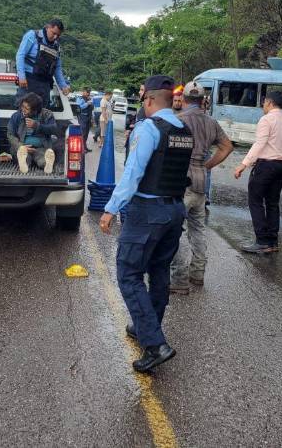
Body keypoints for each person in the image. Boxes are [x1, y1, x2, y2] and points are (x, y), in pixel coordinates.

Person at [99, 75, 193, 373]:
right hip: (174, 210)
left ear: (150, 101)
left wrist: (110, 208)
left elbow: (133, 172)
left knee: (129, 274)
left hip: (148, 211)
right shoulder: (184, 129)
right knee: (159, 271)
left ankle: (155, 344)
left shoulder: (149, 128)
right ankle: (146, 327)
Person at [169, 81, 235, 293]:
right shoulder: (211, 122)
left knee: (173, 231)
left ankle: (178, 280)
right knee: (197, 229)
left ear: (185, 100)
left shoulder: (177, 121)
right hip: (200, 182)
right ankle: (197, 274)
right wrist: (207, 166)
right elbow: (227, 147)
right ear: (203, 100)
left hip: (181, 183)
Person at [233, 90, 282, 254]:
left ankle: (261, 241)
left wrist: (243, 164)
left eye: (264, 102)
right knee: (273, 203)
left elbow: (259, 144)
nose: (263, 105)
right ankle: (273, 241)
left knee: (256, 201)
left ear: (270, 102)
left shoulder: (266, 120)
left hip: (267, 165)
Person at [16, 19, 70, 107]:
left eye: (58, 35)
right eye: (54, 33)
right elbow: (20, 55)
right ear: (48, 27)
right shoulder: (32, 35)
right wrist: (22, 77)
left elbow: (57, 68)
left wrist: (63, 85)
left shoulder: (56, 46)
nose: (55, 37)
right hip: (28, 81)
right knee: (25, 112)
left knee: (42, 115)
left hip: (45, 85)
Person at [7, 92, 58, 174]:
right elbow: (10, 134)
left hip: (41, 147)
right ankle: (24, 163)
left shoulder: (47, 114)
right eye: (22, 106)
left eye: (27, 108)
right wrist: (20, 146)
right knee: (23, 156)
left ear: (35, 110)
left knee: (42, 160)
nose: (23, 110)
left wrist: (37, 126)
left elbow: (53, 129)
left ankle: (47, 165)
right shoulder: (16, 116)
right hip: (22, 147)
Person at [124, 84, 147, 161]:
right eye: (140, 90)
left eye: (142, 90)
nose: (139, 92)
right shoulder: (142, 108)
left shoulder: (147, 110)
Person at [75, 87, 94, 152]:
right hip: (82, 117)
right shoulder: (80, 98)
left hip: (88, 118)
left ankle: (84, 147)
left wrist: (92, 118)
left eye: (89, 92)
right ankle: (81, 148)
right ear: (83, 92)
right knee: (82, 133)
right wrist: (87, 103)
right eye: (86, 92)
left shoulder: (89, 99)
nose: (88, 93)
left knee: (86, 133)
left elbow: (91, 109)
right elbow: (79, 107)